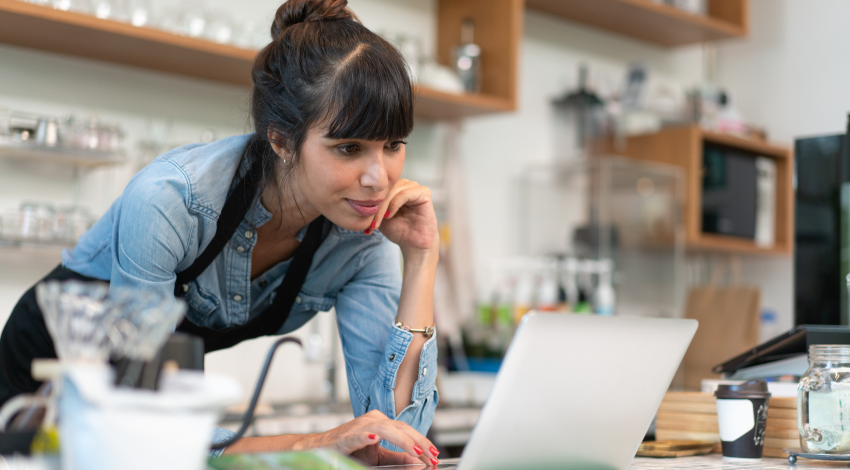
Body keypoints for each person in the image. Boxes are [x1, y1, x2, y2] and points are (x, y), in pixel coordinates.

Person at [0, 0, 441, 466]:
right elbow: (144, 424)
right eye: (349, 148)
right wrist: (309, 443)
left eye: (393, 145)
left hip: (145, 416)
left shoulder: (363, 232)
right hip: (41, 393)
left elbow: (397, 437)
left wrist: (420, 257)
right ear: (282, 140)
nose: (379, 178)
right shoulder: (171, 200)